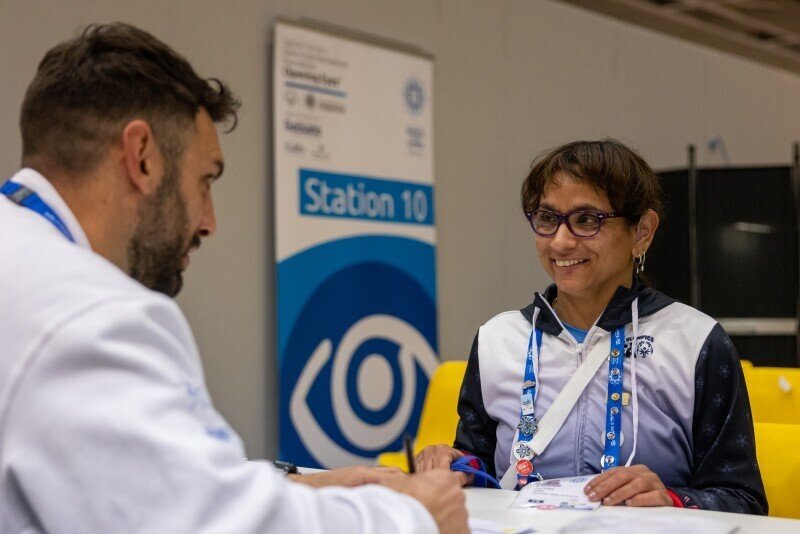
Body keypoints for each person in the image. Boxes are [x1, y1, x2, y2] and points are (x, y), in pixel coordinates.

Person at [0, 23, 468, 533]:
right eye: (204, 181)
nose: (208, 222)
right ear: (141, 158)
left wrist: (284, 489)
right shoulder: (90, 314)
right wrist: (414, 516)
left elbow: (129, 486)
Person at [415, 139, 767, 514]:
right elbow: (480, 468)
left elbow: (742, 500)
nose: (561, 242)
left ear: (642, 232)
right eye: (548, 219)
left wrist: (673, 498)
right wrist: (453, 465)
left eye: (587, 220)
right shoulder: (496, 340)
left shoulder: (696, 342)